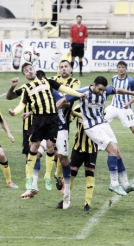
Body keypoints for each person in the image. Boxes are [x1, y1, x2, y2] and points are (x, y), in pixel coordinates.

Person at [9, 63, 86, 209]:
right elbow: (36, 104)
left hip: (59, 127)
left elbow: (65, 102)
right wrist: (29, 112)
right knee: (36, 152)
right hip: (44, 125)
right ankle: (34, 186)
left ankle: (66, 193)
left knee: (63, 158)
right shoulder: (35, 91)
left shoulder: (53, 89)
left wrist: (72, 98)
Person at [65, 76, 134, 196]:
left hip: (103, 123)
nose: (102, 92)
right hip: (91, 127)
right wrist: (69, 112)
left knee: (117, 152)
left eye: (103, 90)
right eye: (100, 89)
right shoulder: (82, 92)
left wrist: (132, 92)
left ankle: (126, 184)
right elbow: (67, 99)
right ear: (94, 84)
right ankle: (114, 183)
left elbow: (118, 90)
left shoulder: (106, 90)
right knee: (112, 150)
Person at [6, 70, 53, 191]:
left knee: (48, 152)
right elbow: (10, 97)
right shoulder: (26, 88)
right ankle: (33, 186)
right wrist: (12, 87)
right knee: (30, 154)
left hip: (45, 123)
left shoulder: (48, 88)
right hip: (29, 126)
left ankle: (48, 179)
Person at [56, 104, 98, 212]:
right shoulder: (78, 107)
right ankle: (65, 199)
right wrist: (69, 117)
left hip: (91, 148)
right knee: (72, 173)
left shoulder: (98, 109)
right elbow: (69, 118)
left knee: (89, 173)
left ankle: (87, 204)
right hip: (78, 147)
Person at [105, 61, 134, 151]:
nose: (121, 69)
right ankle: (101, 144)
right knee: (100, 123)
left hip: (125, 108)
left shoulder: (130, 81)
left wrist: (128, 103)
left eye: (123, 67)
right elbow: (114, 90)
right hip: (113, 107)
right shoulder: (114, 78)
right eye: (119, 67)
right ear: (117, 68)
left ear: (126, 69)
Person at [50, 60, 80, 190]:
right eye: (61, 67)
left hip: (65, 121)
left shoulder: (75, 82)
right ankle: (56, 173)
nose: (63, 69)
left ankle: (57, 175)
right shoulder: (52, 79)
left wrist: (59, 101)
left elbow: (70, 99)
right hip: (50, 120)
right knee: (53, 148)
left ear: (71, 69)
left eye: (66, 67)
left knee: (62, 150)